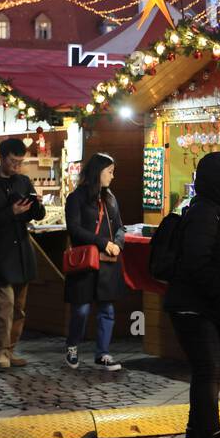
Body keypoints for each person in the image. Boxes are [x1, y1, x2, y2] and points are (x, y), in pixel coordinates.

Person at [163, 152, 220, 438]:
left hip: (213, 308)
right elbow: (197, 264)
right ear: (218, 180)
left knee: (209, 373)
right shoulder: (204, 213)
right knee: (208, 372)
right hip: (196, 309)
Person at [0, 137, 44, 371]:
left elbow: (36, 215)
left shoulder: (24, 182)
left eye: (20, 161)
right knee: (3, 307)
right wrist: (11, 212)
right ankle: (1, 352)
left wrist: (36, 206)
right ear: (2, 157)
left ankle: (11, 349)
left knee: (19, 308)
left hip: (22, 253)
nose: (17, 166)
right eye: (14, 161)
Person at [63, 152, 125, 371]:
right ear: (97, 172)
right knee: (81, 309)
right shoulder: (76, 198)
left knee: (107, 309)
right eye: (109, 172)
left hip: (108, 262)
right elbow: (74, 229)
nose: (112, 177)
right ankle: (72, 346)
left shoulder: (110, 198)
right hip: (85, 263)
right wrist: (102, 242)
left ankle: (103, 353)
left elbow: (119, 225)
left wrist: (118, 242)